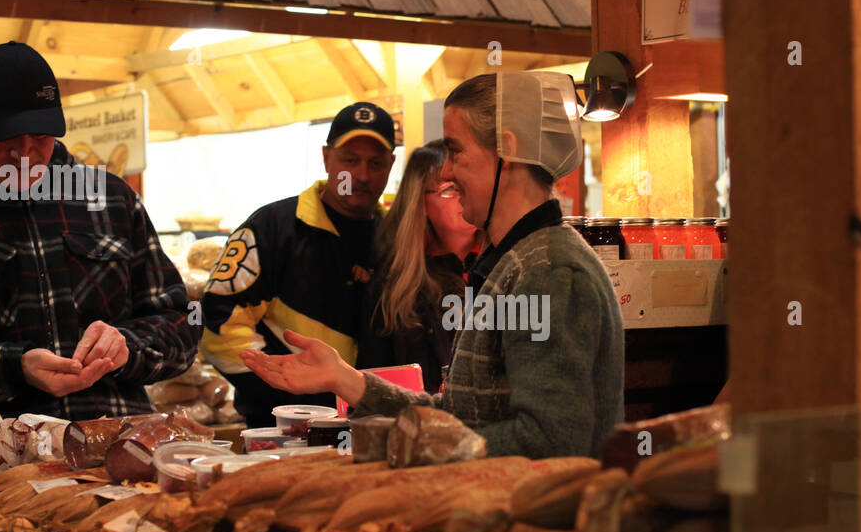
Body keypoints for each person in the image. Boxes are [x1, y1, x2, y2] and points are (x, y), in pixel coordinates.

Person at [240, 72, 625, 458]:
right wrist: (348, 380)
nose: (447, 173)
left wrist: (423, 448)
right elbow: (463, 417)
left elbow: (552, 443)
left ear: (508, 150)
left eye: (456, 152)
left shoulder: (548, 273)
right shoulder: (518, 264)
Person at [0, 41, 199, 482]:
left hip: (121, 451)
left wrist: (126, 346)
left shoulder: (109, 198)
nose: (26, 154)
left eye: (41, 138)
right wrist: (13, 366)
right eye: (7, 139)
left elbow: (183, 326)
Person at [200, 101, 396, 427]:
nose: (362, 175)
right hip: (283, 432)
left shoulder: (399, 240)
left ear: (390, 165)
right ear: (325, 158)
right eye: (350, 160)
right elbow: (217, 325)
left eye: (375, 163)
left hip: (379, 430)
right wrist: (292, 395)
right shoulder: (272, 228)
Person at [356, 140, 482, 392]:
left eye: (466, 183)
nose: (463, 195)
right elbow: (373, 388)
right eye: (449, 188)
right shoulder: (393, 288)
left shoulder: (505, 266)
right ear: (420, 202)